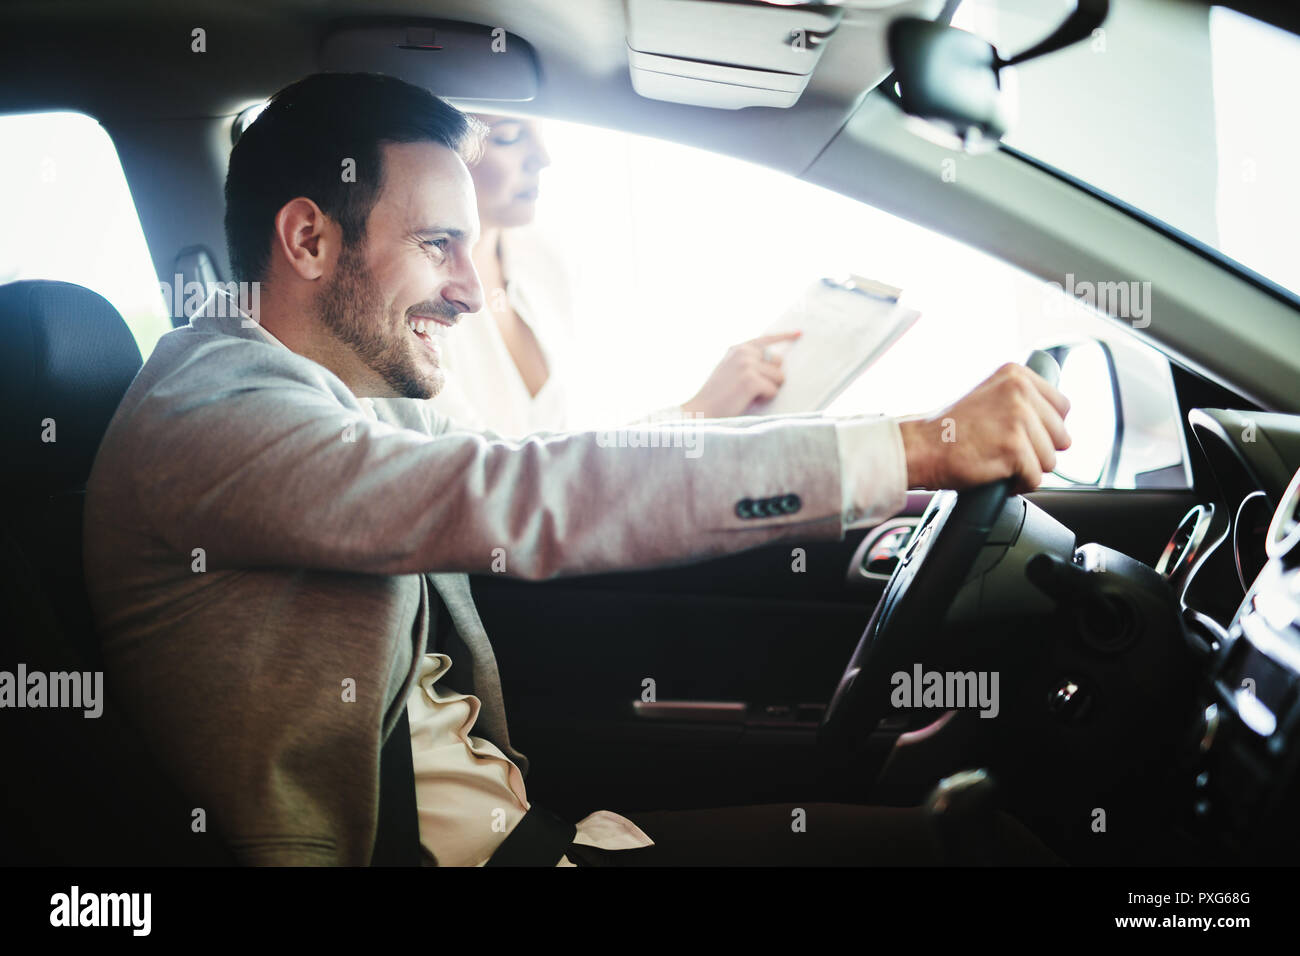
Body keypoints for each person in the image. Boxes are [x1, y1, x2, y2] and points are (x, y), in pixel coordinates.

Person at [83, 72, 1071, 866]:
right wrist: (910, 446)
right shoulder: (214, 414)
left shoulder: (336, 397)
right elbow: (530, 493)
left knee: (955, 837)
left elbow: (539, 464)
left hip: (528, 835)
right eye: (440, 246)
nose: (472, 289)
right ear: (308, 238)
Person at [426, 112, 803, 436]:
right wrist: (696, 414)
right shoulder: (415, 307)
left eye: (540, 130)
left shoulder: (544, 257)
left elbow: (572, 448)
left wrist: (712, 409)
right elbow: (512, 480)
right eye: (510, 136)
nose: (544, 157)